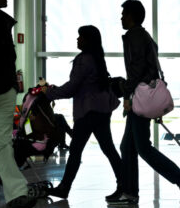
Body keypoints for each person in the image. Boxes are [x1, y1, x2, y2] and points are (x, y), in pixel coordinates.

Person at [109, 0, 180, 207]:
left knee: (142, 148)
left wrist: (128, 95)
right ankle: (129, 192)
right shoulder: (144, 36)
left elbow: (136, 70)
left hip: (140, 96)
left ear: (132, 16)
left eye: (124, 14)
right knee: (127, 146)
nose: (121, 18)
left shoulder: (135, 36)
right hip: (144, 95)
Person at [41, 26, 122, 199]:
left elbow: (72, 87)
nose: (77, 39)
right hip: (101, 110)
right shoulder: (97, 58)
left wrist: (48, 93)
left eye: (80, 37)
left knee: (76, 150)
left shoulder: (84, 59)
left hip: (88, 111)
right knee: (108, 149)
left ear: (87, 40)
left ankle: (64, 188)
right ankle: (124, 185)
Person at [0, 0, 37, 208]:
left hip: (4, 91)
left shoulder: (3, 23)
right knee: (1, 144)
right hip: (3, 87)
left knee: (3, 143)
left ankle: (17, 193)